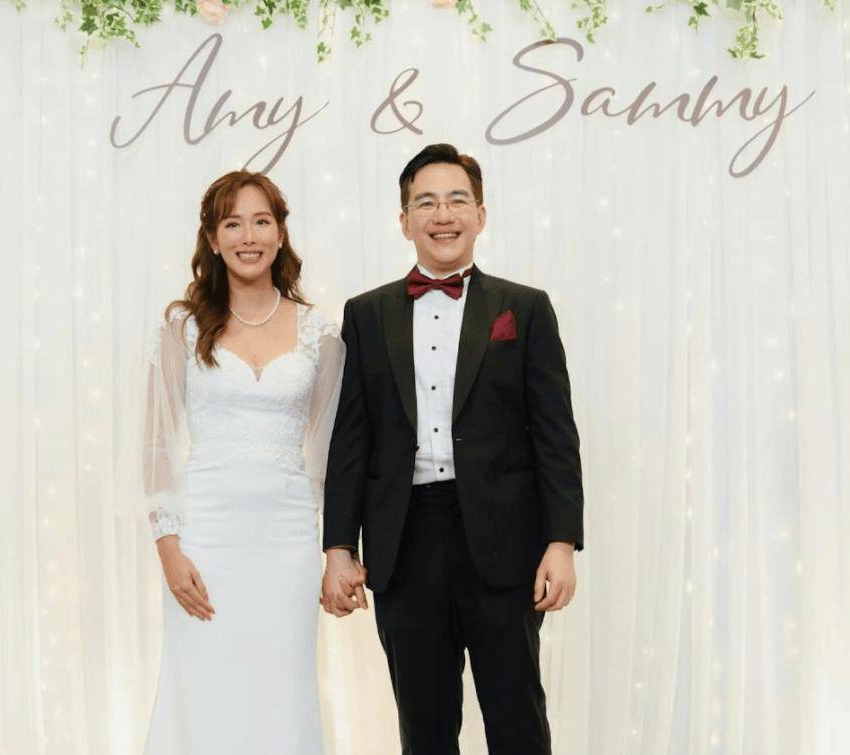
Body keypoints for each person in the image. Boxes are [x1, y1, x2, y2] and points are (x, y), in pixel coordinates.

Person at [320, 144, 584, 754]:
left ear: (481, 214)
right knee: (425, 725)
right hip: (404, 540)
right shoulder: (365, 314)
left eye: (457, 200)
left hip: (505, 540)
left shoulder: (525, 308)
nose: (443, 215)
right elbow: (351, 440)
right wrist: (338, 547)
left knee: (517, 718)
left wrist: (562, 541)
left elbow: (555, 434)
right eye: (426, 203)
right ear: (404, 220)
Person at [142, 171, 343, 754]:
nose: (248, 237)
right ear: (212, 238)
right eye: (232, 224)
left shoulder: (321, 334)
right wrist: (169, 549)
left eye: (261, 222)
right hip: (205, 539)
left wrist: (337, 551)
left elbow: (332, 458)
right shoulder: (181, 328)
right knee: (204, 691)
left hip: (288, 541)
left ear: (281, 234)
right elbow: (156, 447)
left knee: (282, 692)